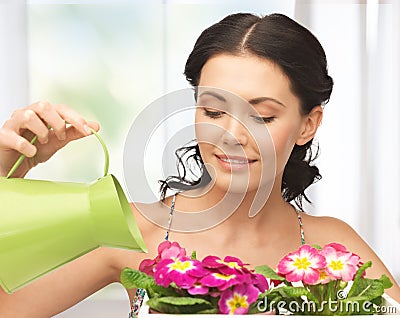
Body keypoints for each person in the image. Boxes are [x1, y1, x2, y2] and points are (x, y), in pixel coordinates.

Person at [0, 13, 399, 317]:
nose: (232, 134)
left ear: (307, 125)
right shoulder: (133, 231)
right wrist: (5, 170)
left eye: (261, 117)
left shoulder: (335, 249)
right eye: (213, 111)